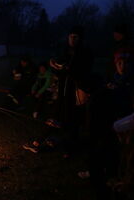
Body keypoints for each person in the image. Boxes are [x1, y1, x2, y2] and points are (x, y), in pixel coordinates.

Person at [49, 26, 94, 155]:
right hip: (64, 88)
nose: (72, 39)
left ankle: (72, 146)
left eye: (75, 37)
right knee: (63, 115)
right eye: (70, 36)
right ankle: (64, 143)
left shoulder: (85, 52)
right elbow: (61, 67)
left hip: (76, 89)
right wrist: (55, 67)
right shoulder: (66, 51)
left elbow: (85, 71)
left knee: (74, 117)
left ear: (80, 39)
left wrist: (69, 70)